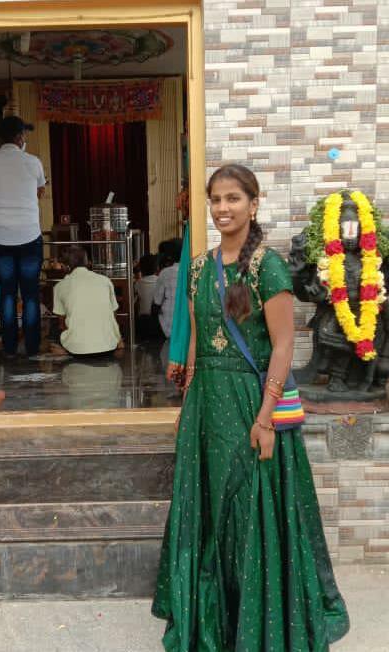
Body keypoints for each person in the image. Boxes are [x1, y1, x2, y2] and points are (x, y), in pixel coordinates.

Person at [152, 164, 350, 650]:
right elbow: (197, 341)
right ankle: (213, 620)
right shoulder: (198, 268)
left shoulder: (267, 266)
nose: (223, 208)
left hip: (250, 405)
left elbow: (283, 345)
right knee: (210, 509)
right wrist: (188, 402)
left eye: (233, 199)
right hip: (207, 404)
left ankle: (253, 619)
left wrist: (265, 420)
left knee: (246, 509)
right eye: (216, 199)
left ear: (253, 204)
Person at [0, 115, 46, 358]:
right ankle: (31, 347)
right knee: (30, 294)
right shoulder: (33, 162)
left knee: (7, 293)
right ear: (20, 137)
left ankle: (8, 347)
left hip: (2, 239)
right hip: (29, 235)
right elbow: (40, 190)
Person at [52, 246, 122, 356]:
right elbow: (113, 314)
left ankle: (66, 351)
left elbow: (62, 324)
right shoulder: (105, 281)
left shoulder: (59, 286)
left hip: (77, 351)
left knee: (54, 333)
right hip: (109, 347)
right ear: (87, 263)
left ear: (66, 267)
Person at [153, 238, 182, 338]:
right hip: (188, 327)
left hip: (168, 326)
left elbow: (157, 302)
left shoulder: (166, 273)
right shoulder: (193, 270)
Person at [135, 253, 161, 339]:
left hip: (143, 322)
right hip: (158, 322)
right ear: (157, 268)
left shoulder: (138, 283)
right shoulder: (160, 281)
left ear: (141, 269)